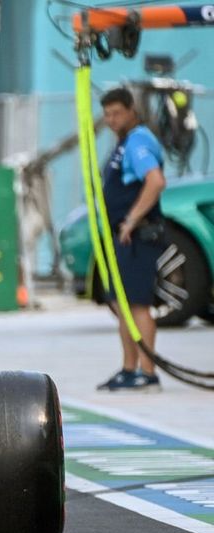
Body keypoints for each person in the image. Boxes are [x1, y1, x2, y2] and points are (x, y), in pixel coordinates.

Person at [95, 87, 167, 392]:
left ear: (130, 110)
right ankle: (129, 368)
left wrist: (132, 220)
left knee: (137, 304)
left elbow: (155, 181)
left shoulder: (138, 141)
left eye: (116, 113)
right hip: (124, 238)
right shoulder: (124, 142)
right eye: (107, 114)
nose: (111, 120)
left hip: (138, 235)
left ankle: (148, 373)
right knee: (120, 302)